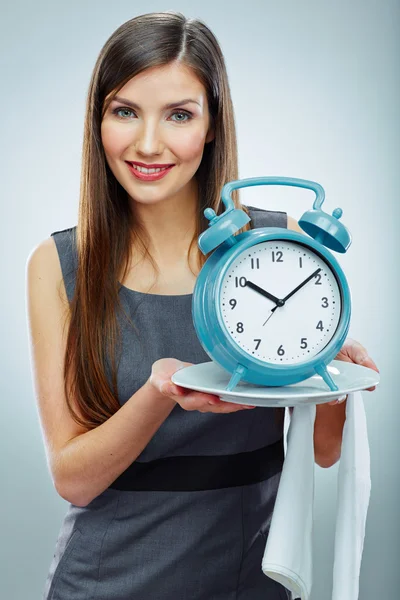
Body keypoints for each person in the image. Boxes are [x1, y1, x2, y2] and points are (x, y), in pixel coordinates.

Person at [26, 11, 379, 600]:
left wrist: (335, 374)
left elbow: (322, 452)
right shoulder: (61, 263)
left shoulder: (280, 249)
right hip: (108, 582)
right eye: (125, 111)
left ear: (213, 125)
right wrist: (158, 393)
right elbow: (74, 480)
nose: (147, 144)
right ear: (99, 120)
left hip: (251, 578)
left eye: (179, 115)